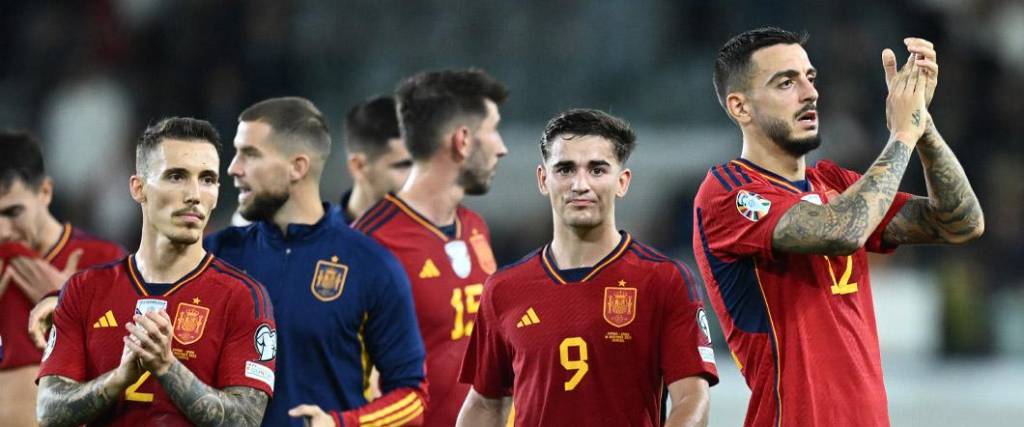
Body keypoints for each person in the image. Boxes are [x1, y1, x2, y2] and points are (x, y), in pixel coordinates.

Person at [692, 27, 983, 426]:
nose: (809, 93)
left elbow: (960, 222)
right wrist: (901, 134)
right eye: (785, 83)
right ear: (740, 107)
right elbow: (843, 231)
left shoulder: (835, 183)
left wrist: (922, 123)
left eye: (810, 78)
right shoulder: (728, 193)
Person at [458, 109, 719, 426]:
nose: (580, 184)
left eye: (597, 170)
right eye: (565, 169)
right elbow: (485, 404)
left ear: (622, 182)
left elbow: (692, 398)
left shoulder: (663, 280)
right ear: (543, 179)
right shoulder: (504, 288)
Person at [36, 117, 275, 426]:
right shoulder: (85, 289)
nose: (194, 194)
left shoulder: (243, 297)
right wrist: (119, 379)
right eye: (176, 176)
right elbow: (48, 413)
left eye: (207, 179)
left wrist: (166, 367)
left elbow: (245, 420)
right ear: (138, 188)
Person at [205, 97, 427, 427]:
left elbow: (412, 397)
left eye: (250, 154)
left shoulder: (372, 265)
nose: (233, 167)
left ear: (297, 167)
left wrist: (342, 424)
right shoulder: (215, 255)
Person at [352, 68, 507, 427]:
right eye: (493, 129)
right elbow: (350, 381)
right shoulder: (370, 245)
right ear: (463, 140)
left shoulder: (475, 227)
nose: (502, 147)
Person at [0, 130, 125, 426]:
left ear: (45, 192)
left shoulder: (105, 262)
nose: (3, 231)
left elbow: (140, 371)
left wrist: (70, 307)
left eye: (13, 212)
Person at [339, 96, 413, 224]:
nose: (419, 178)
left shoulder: (444, 237)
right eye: (404, 165)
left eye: (422, 164)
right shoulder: (317, 241)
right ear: (358, 166)